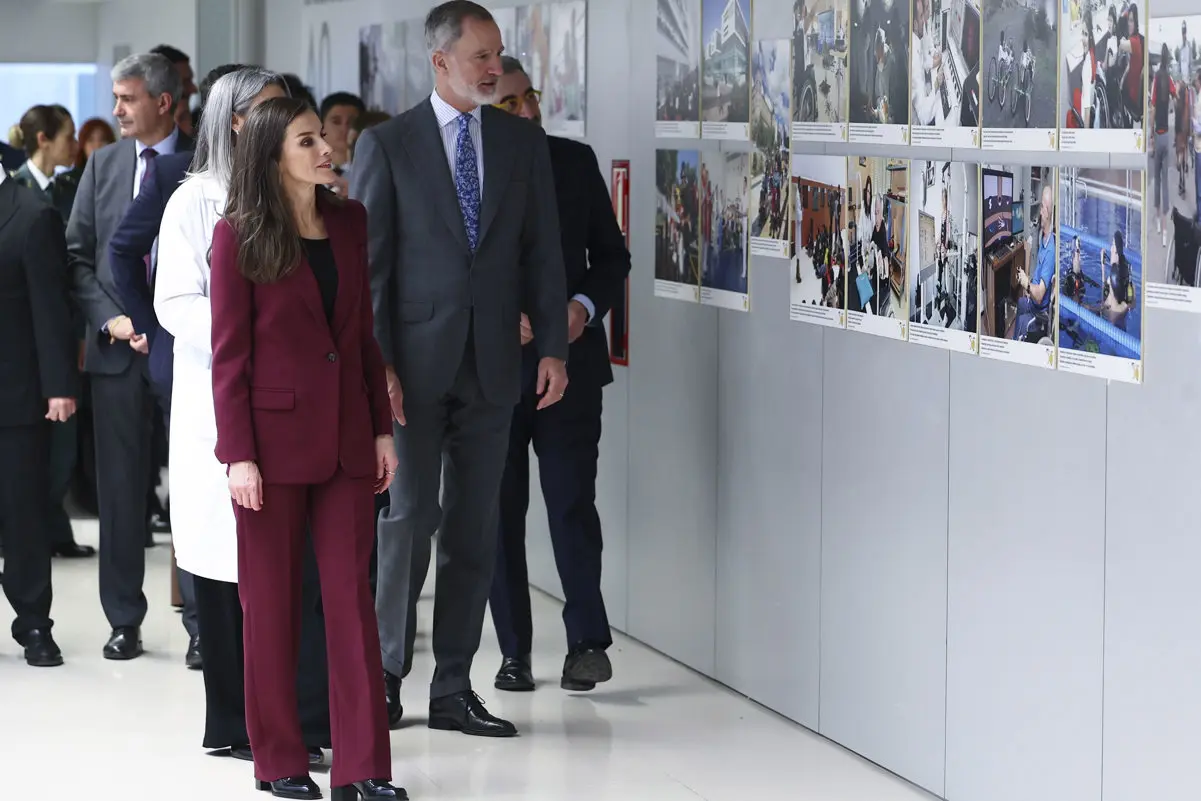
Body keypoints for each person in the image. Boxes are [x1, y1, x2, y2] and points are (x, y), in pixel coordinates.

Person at [352, 0, 569, 736]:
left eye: (497, 53)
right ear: (439, 61)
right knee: (409, 519)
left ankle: (451, 686)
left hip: (493, 370)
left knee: (475, 529)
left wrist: (551, 349)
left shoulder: (520, 142)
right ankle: (384, 675)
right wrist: (375, 365)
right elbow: (369, 271)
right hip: (409, 372)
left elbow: (543, 256)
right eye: (480, 56)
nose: (493, 67)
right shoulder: (387, 146)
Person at [210, 95, 402, 801]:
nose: (326, 149)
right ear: (271, 158)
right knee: (272, 607)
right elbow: (228, 359)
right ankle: (279, 759)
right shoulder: (238, 236)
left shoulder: (350, 223)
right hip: (269, 448)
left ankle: (363, 768)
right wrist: (238, 455)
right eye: (306, 141)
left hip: (349, 441)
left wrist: (381, 427)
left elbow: (360, 339)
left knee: (352, 605)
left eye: (322, 137)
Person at [153, 66, 333, 761]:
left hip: (295, 409)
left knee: (298, 575)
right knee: (226, 574)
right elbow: (175, 302)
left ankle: (306, 720)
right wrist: (253, 338)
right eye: (268, 112)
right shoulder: (196, 200)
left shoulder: (300, 194)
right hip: (221, 403)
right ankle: (233, 722)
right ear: (235, 122)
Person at [487, 56, 629, 693]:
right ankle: (514, 652)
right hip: (490, 372)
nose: (525, 112)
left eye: (529, 98)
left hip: (571, 365)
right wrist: (494, 316)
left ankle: (586, 645)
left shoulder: (573, 162)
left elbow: (613, 259)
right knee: (499, 512)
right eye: (508, 104)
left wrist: (581, 308)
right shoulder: (466, 173)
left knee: (572, 504)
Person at [66, 51, 190, 660]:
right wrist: (115, 320)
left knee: (194, 489)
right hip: (118, 354)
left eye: (127, 98)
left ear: (163, 102)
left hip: (187, 352)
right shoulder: (104, 165)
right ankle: (124, 618)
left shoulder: (203, 164)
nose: (115, 110)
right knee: (118, 493)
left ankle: (201, 622)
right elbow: (78, 257)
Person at [9, 105, 95, 562]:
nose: (74, 143)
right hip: (22, 338)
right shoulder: (14, 192)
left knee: (62, 443)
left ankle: (54, 526)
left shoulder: (70, 187)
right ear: (43, 138)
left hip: (63, 324)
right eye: (67, 135)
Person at [0, 169, 78, 667]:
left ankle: (33, 623)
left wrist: (59, 388)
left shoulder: (31, 214)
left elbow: (52, 308)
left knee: (22, 513)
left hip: (16, 395)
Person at [1014, 185, 1056, 341]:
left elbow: (1039, 297)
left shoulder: (1051, 251)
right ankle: (1016, 338)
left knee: (1024, 321)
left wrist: (1027, 284)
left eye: (1042, 208)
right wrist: (1028, 281)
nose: (1040, 212)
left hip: (1039, 311)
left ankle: (1020, 340)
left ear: (1046, 210)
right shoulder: (1043, 238)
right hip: (1032, 302)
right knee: (1020, 302)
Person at [1151, 43, 1173, 246]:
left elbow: (1152, 106)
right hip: (1167, 136)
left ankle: (1158, 222)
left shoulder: (1157, 78)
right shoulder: (1169, 79)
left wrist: (1150, 134)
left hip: (1158, 135)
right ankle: (1165, 232)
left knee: (1157, 181)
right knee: (1165, 182)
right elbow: (1175, 96)